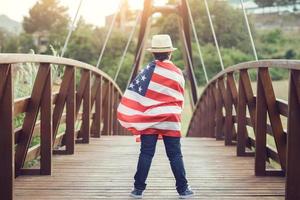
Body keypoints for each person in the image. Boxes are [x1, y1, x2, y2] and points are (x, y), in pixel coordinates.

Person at [117, 34, 194, 199]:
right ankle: (183, 190)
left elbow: (136, 93)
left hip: (149, 119)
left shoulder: (147, 70)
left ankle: (138, 190)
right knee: (175, 154)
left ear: (154, 53)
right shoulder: (177, 72)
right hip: (171, 119)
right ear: (170, 53)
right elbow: (179, 96)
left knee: (146, 153)